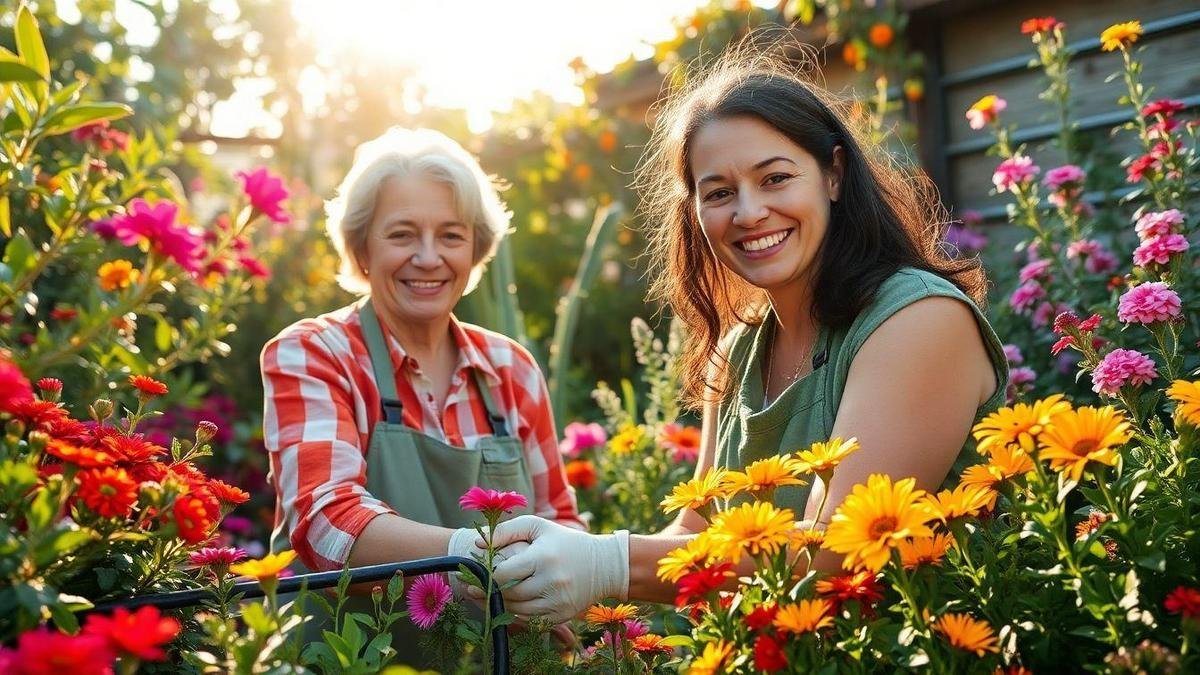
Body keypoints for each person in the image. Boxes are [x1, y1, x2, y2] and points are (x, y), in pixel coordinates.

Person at [482, 53, 1009, 623]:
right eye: (719, 192)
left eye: (775, 178)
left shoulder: (917, 319)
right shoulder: (737, 350)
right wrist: (553, 588)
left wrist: (607, 563)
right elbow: (697, 528)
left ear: (833, 175)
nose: (750, 212)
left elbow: (838, 551)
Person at [260, 128, 585, 650]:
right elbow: (327, 523)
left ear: (476, 250)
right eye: (402, 234)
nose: (429, 257)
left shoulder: (511, 369)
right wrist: (475, 563)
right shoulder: (315, 353)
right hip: (346, 659)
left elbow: (558, 521)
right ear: (361, 247)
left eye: (451, 236)